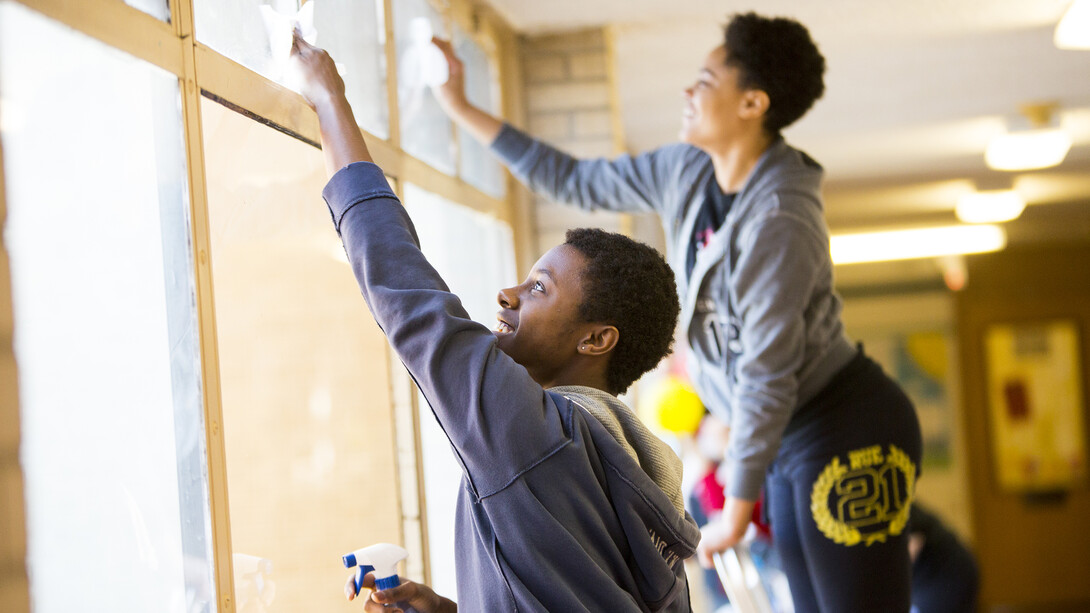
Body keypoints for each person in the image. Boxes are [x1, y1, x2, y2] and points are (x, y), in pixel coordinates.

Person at [432, 12, 922, 612]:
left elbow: (770, 372)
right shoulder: (685, 171)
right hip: (793, 435)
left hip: (847, 425)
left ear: (752, 103)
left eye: (706, 81)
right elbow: (571, 178)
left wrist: (734, 515)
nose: (688, 92)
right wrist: (459, 106)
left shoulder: (782, 219)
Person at [289, 32, 700, 612]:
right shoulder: (630, 473)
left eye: (539, 288)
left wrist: (330, 101)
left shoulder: (535, 435)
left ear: (596, 339)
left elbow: (409, 297)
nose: (508, 294)